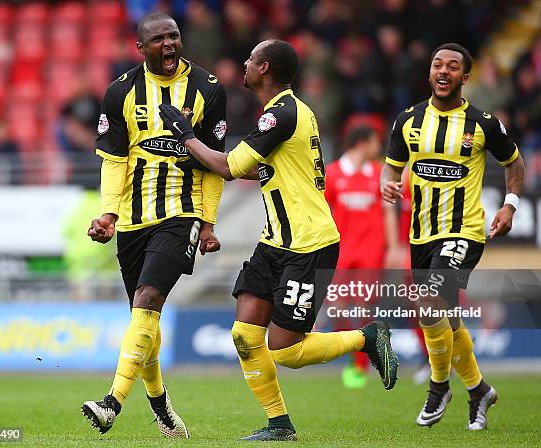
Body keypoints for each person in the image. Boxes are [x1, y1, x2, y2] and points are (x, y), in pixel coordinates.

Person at [159, 39, 398, 442]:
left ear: (265, 68)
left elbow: (233, 167)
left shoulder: (282, 115)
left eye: (251, 59)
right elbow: (266, 171)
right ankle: (279, 424)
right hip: (276, 243)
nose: (245, 64)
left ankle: (367, 337)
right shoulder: (288, 113)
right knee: (244, 334)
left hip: (309, 244)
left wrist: (185, 136)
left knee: (285, 349)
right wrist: (201, 156)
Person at [81, 12, 227, 438]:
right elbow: (114, 159)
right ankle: (161, 404)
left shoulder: (207, 88)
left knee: (147, 299)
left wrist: (209, 222)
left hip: (180, 216)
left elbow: (214, 166)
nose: (169, 44)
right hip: (132, 219)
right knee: (144, 316)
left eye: (174, 36)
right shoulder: (121, 91)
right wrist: (109, 213)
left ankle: (112, 403)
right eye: (159, 39)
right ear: (140, 48)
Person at [381, 43, 525, 430]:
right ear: (429, 73)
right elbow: (390, 170)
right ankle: (478, 390)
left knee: (431, 301)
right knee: (444, 318)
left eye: (453, 66)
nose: (443, 71)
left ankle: (438, 385)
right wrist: (388, 186)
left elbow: (514, 162)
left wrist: (510, 205)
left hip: (463, 230)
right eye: (437, 65)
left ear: (466, 77)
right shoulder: (407, 121)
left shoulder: (482, 123)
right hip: (420, 235)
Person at [324, 125, 403, 389]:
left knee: (363, 309)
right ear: (361, 143)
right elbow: (322, 211)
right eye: (375, 141)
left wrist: (394, 248)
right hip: (340, 252)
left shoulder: (380, 174)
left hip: (371, 252)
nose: (379, 147)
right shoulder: (333, 173)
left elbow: (389, 212)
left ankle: (358, 365)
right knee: (336, 308)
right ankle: (357, 355)